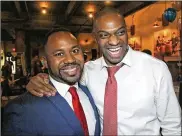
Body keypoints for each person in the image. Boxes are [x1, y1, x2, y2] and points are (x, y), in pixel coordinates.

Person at [26, 8, 181, 135]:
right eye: (104, 35)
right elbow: (64, 81)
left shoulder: (156, 69)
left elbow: (172, 125)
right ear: (95, 38)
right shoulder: (87, 71)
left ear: (127, 32)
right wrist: (40, 78)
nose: (114, 41)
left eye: (120, 32)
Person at [2, 30, 100, 135]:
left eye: (75, 51)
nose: (70, 59)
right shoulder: (22, 108)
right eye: (59, 54)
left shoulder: (92, 89)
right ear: (45, 62)